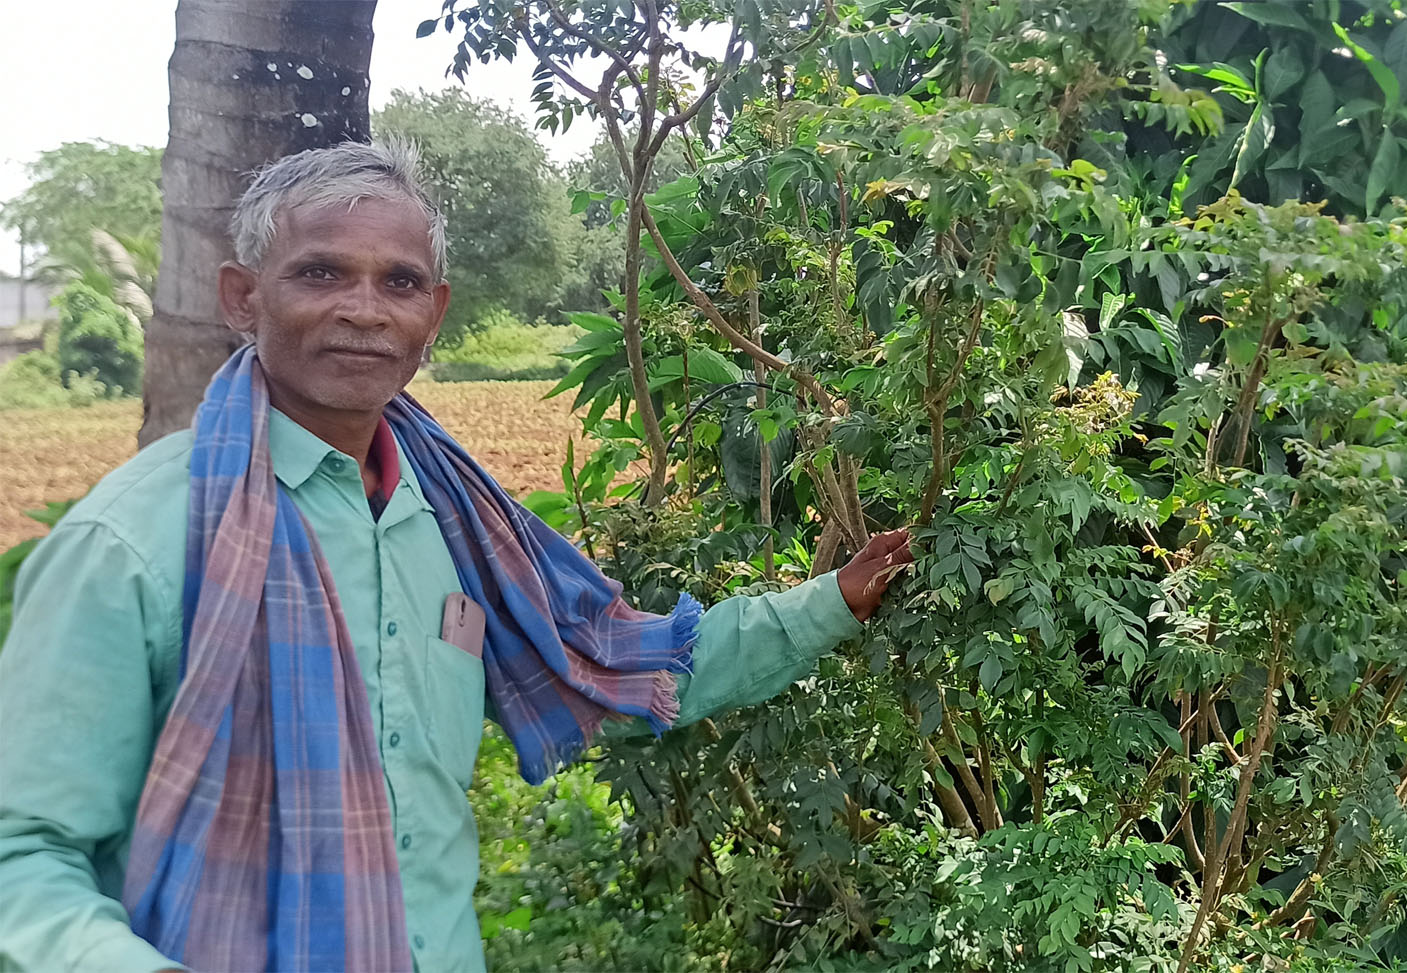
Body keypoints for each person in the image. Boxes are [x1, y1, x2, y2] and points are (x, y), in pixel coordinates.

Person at [0, 139, 911, 973]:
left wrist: (832, 597)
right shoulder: (129, 545)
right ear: (244, 297)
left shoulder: (453, 515)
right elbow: (23, 861)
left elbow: (605, 663)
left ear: (432, 314)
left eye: (398, 282)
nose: (363, 309)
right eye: (320, 272)